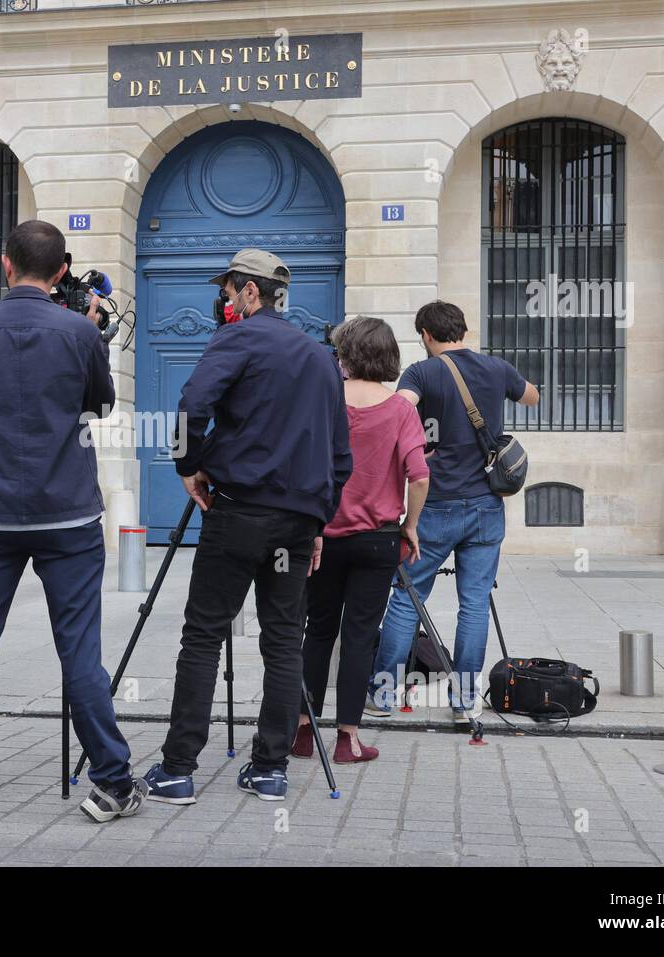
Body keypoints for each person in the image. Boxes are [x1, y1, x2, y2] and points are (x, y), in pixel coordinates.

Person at [0, 220, 145, 825]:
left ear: (4, 264)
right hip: (68, 515)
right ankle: (113, 781)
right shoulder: (78, 331)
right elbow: (99, 405)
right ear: (62, 273)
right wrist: (89, 338)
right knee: (79, 652)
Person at [140, 248, 353, 805]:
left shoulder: (237, 339)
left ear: (250, 292)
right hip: (295, 522)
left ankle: (178, 768)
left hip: (237, 514)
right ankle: (269, 768)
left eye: (230, 290)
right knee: (284, 641)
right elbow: (339, 455)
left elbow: (191, 405)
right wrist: (317, 525)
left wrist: (188, 467)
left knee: (204, 634)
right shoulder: (320, 357)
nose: (225, 301)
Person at [368, 301, 539, 721]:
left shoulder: (422, 372)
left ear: (426, 334)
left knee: (408, 599)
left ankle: (385, 696)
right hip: (486, 506)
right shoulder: (497, 368)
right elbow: (532, 396)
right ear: (461, 330)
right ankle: (464, 703)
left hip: (435, 505)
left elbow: (400, 408)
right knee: (475, 604)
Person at [295, 317, 429, 764]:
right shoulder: (400, 410)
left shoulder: (323, 402)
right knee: (358, 638)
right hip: (377, 540)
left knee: (317, 632)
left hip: (323, 537)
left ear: (347, 355)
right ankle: (347, 739)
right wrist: (410, 524)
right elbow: (420, 475)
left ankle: (301, 730)